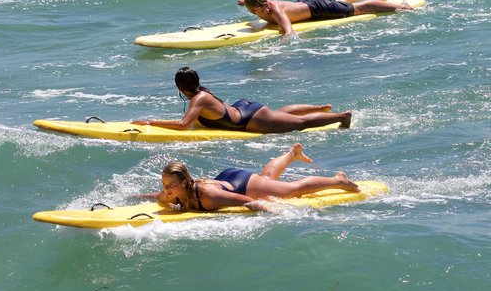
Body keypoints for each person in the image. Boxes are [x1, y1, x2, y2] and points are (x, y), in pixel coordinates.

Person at [148, 143, 360, 212]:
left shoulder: (209, 196)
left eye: (171, 185)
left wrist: (274, 212)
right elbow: (154, 195)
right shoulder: (171, 194)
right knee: (267, 179)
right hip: (226, 179)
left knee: (292, 191)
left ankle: (339, 180)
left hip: (240, 185)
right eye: (165, 184)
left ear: (184, 182)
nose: (166, 189)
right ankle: (292, 154)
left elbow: (248, 201)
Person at [134, 67, 351, 132]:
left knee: (300, 125)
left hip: (250, 118)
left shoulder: (198, 99)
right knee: (279, 114)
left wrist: (150, 122)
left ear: (180, 87)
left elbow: (183, 125)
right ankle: (320, 107)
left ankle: (341, 116)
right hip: (244, 108)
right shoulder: (202, 94)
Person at [238, 0, 416, 39]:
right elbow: (248, 2)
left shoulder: (275, 10)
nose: (256, 14)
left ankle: (401, 6)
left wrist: (279, 48)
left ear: (264, 6)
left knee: (359, 9)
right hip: (306, 1)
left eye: (257, 11)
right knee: (340, 1)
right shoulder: (257, 3)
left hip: (318, 9)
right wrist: (243, 2)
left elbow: (288, 31)